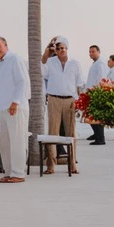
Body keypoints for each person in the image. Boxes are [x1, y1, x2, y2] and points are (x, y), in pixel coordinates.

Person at [0, 37, 29, 184]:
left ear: (6, 45)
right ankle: (9, 172)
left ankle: (18, 173)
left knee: (17, 141)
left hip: (15, 108)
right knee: (5, 143)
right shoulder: (0, 63)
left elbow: (22, 81)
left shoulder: (15, 59)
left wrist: (15, 102)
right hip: (3, 108)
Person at [41, 36, 83, 174]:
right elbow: (42, 72)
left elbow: (79, 84)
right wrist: (46, 54)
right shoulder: (50, 62)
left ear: (67, 48)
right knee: (53, 133)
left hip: (70, 100)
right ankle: (51, 165)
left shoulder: (75, 64)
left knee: (71, 134)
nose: (60, 50)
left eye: (63, 48)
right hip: (54, 99)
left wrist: (79, 102)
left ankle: (72, 164)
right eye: (58, 48)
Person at [85, 44, 110, 145]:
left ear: (98, 52)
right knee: (92, 116)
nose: (91, 54)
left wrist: (95, 92)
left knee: (96, 117)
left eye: (93, 52)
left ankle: (100, 139)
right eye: (90, 52)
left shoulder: (100, 64)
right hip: (92, 92)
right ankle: (97, 135)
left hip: (96, 93)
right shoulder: (96, 63)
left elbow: (101, 78)